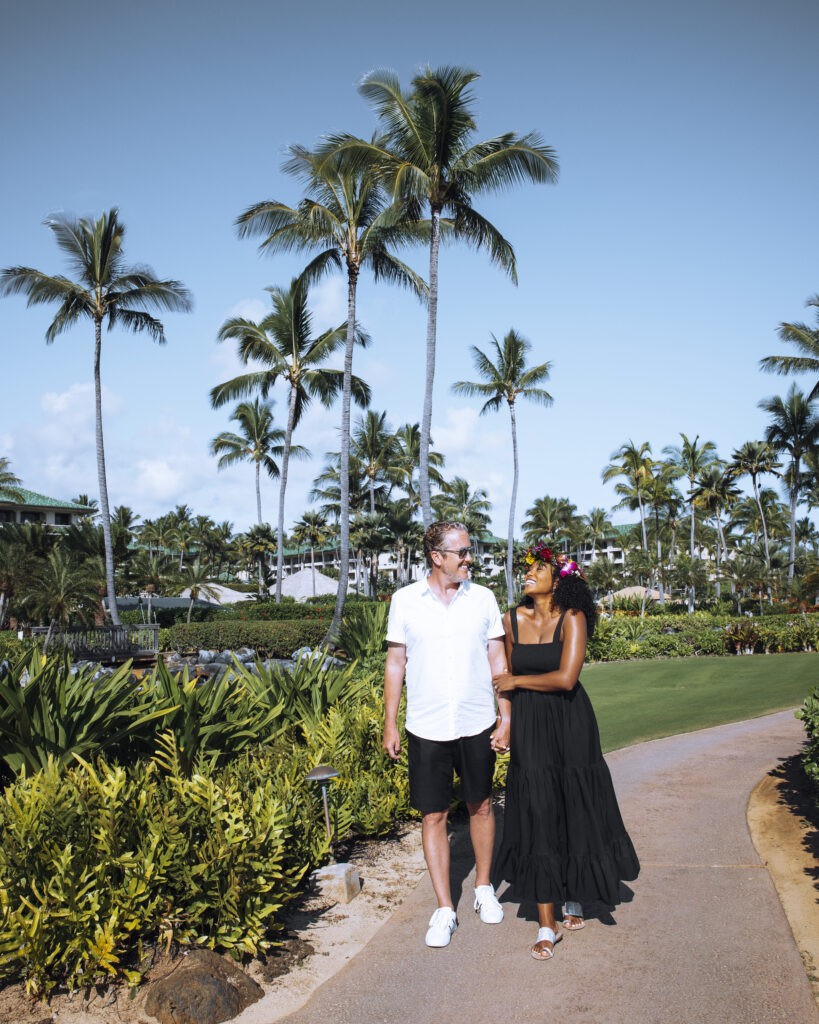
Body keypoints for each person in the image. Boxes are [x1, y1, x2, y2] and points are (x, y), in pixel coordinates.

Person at [493, 541, 640, 960]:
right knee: (539, 812)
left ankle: (574, 895)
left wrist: (517, 682)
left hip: (570, 722)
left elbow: (566, 678)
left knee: (573, 806)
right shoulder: (510, 620)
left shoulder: (573, 617)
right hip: (531, 728)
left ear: (558, 579)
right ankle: (547, 922)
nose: (528, 574)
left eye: (538, 569)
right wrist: (505, 722)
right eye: (528, 569)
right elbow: (500, 677)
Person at [383, 521, 511, 948]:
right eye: (462, 553)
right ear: (437, 557)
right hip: (427, 726)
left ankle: (483, 888)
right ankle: (444, 908)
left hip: (476, 721)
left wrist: (505, 717)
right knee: (433, 815)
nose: (469, 559)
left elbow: (498, 661)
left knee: (481, 805)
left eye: (470, 551)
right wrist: (390, 723)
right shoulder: (404, 602)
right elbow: (395, 665)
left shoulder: (484, 599)